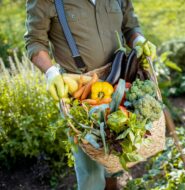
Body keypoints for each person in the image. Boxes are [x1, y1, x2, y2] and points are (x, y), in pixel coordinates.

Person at [24, 0, 156, 189]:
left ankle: (113, 184)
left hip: (121, 85)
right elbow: (34, 41)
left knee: (116, 151)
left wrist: (138, 40)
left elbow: (130, 26)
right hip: (80, 91)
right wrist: (51, 73)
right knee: (90, 167)